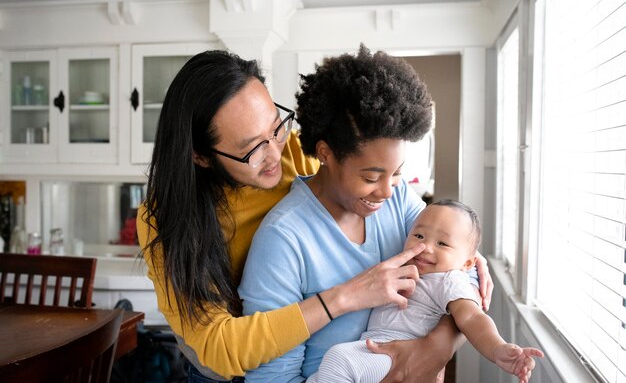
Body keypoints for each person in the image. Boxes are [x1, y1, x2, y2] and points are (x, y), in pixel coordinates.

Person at [136, 49, 492, 383]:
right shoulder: (168, 220)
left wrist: (441, 336)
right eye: (253, 149)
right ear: (200, 156)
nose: (276, 152)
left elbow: (443, 256)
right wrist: (345, 297)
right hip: (228, 368)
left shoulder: (298, 150)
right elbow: (218, 346)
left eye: (277, 127)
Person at [238, 45, 496, 383]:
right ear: (326, 154)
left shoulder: (398, 198)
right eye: (371, 177)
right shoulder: (283, 239)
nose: (388, 191)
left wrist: (435, 348)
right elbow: (270, 379)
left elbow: (459, 270)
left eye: (398, 173)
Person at [307, 199, 544, 383]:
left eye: (442, 243)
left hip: (395, 355)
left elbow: (472, 317)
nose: (425, 247)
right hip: (376, 351)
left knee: (339, 360)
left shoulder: (449, 280)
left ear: (468, 264)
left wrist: (498, 348)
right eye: (418, 236)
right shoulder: (402, 268)